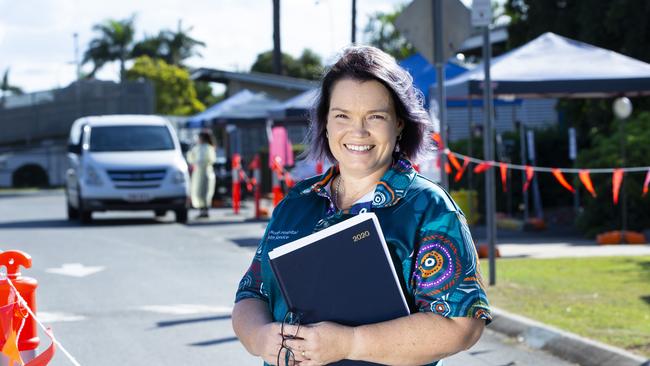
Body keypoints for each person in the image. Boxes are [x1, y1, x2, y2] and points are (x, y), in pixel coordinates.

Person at [232, 45, 491, 366]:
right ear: (325, 122)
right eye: (342, 116)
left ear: (399, 123)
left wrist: (349, 343)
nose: (358, 131)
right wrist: (259, 337)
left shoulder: (429, 209)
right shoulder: (296, 203)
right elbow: (251, 294)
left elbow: (462, 326)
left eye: (376, 116)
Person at [187, 130, 216, 218]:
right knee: (198, 191)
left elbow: (211, 160)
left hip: (206, 172)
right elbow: (191, 159)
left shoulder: (208, 147)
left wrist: (200, 162)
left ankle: (205, 210)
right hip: (198, 173)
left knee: (205, 192)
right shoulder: (197, 148)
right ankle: (201, 210)